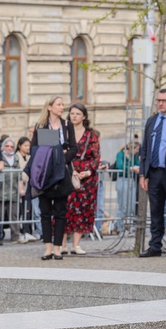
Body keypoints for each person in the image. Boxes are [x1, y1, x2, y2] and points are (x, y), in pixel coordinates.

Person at [29, 96, 77, 260]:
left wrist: (61, 158)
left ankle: (58, 248)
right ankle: (47, 248)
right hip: (44, 175)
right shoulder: (40, 125)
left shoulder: (66, 125)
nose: (62, 107)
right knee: (45, 213)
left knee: (61, 212)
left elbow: (73, 148)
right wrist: (52, 155)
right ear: (49, 107)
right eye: (59, 104)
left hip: (62, 174)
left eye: (63, 104)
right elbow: (34, 150)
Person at [138, 88, 166, 257]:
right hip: (154, 173)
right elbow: (145, 149)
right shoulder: (152, 121)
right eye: (158, 100)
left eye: (164, 100)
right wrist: (143, 174)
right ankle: (155, 245)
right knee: (156, 211)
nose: (161, 103)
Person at [63, 103, 99, 255]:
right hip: (67, 172)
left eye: (78, 113)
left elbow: (96, 157)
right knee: (64, 209)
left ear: (84, 116)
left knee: (82, 209)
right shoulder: (64, 132)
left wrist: (88, 172)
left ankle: (76, 245)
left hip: (86, 178)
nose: (74, 116)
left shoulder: (91, 134)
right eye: (72, 113)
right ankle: (62, 244)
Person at [0, 138, 25, 242]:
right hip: (1, 191)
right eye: (7, 146)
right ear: (3, 146)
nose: (9, 148)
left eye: (11, 146)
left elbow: (20, 175)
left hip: (14, 191)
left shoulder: (16, 158)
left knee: (14, 215)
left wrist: (21, 189)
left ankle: (15, 236)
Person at [15, 136, 36, 242]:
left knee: (28, 209)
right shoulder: (17, 157)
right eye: (25, 145)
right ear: (20, 146)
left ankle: (27, 230)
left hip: (28, 185)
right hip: (20, 186)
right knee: (21, 210)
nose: (28, 147)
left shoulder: (28, 157)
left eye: (29, 145)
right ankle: (23, 232)